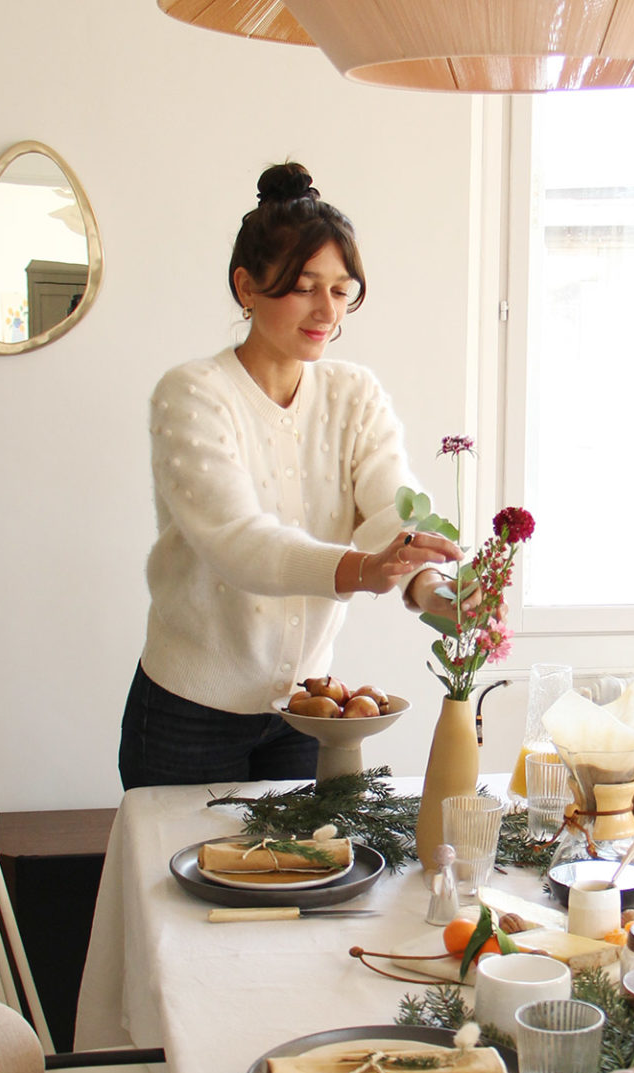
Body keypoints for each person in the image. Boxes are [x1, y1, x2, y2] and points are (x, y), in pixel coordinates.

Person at [118, 162, 460, 788]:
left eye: (341, 288)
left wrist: (434, 591)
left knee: (309, 879)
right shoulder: (193, 393)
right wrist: (363, 570)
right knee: (181, 881)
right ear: (246, 286)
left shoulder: (355, 392)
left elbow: (393, 513)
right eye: (304, 286)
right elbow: (237, 542)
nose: (326, 309)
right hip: (188, 715)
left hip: (310, 710)